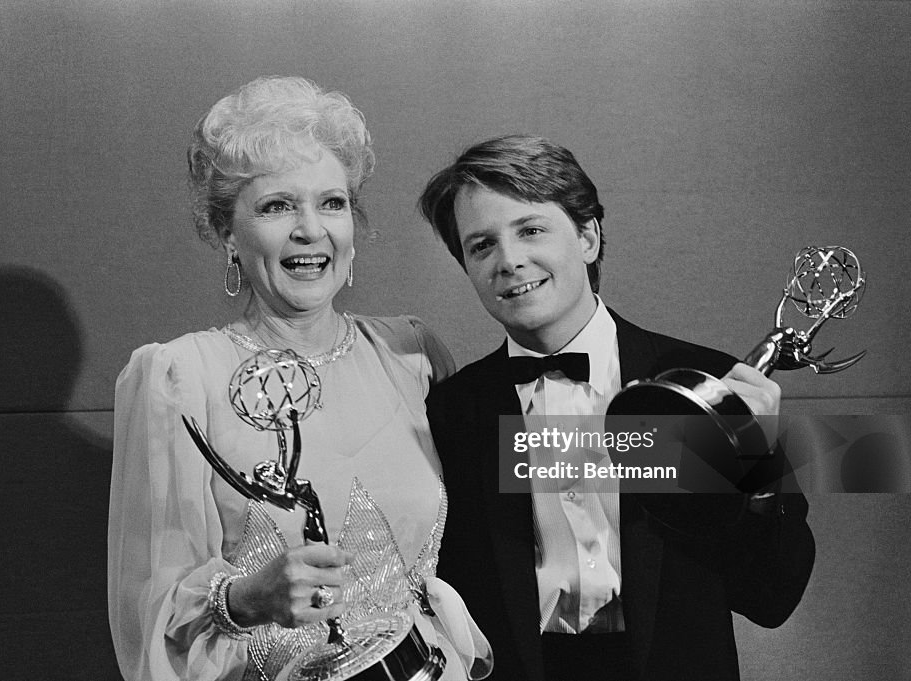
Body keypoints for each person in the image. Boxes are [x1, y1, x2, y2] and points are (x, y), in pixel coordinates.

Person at [108, 77, 491, 681]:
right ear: (227, 233)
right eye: (276, 205)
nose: (310, 229)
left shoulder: (411, 353)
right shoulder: (180, 378)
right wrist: (243, 599)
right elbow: (152, 616)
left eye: (331, 203)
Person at [418, 135, 815, 681]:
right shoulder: (452, 412)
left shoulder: (702, 381)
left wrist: (758, 469)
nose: (509, 260)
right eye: (481, 245)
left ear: (587, 236)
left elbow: (772, 597)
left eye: (531, 230)